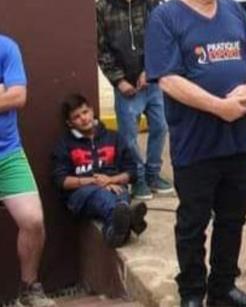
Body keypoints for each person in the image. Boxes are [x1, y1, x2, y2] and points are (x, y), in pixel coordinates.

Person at [145, 0, 246, 307]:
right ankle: (193, 294)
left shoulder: (231, 9)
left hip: (238, 140)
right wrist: (219, 107)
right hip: (195, 143)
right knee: (193, 223)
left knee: (233, 218)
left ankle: (223, 288)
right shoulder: (166, 18)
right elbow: (168, 79)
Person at [97, 0, 172, 200]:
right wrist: (119, 80)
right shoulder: (102, 8)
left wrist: (150, 69)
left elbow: (162, 35)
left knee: (160, 127)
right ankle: (137, 179)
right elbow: (101, 49)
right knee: (129, 137)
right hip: (125, 87)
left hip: (151, 80)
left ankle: (153, 173)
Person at [51, 93, 147, 247]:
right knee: (110, 199)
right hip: (81, 195)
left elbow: (132, 172)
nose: (83, 118)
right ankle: (129, 218)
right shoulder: (65, 144)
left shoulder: (114, 137)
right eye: (77, 117)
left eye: (85, 112)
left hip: (115, 188)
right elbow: (61, 181)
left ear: (92, 110)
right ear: (70, 123)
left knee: (120, 196)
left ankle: (113, 231)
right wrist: (96, 182)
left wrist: (110, 180)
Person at [0, 34, 54, 306]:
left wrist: (8, 94)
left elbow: (18, 96)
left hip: (7, 154)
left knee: (33, 221)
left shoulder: (6, 47)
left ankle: (29, 288)